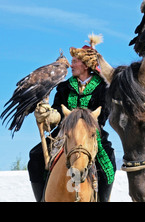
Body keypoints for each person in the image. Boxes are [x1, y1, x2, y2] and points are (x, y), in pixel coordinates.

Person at [28, 34, 116, 202]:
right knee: (35, 156)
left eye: (75, 61)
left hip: (92, 133)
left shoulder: (103, 88)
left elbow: (103, 115)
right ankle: (41, 199)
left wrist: (82, 119)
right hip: (64, 133)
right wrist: (48, 115)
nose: (71, 64)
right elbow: (57, 112)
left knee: (109, 161)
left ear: (86, 65)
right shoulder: (64, 87)